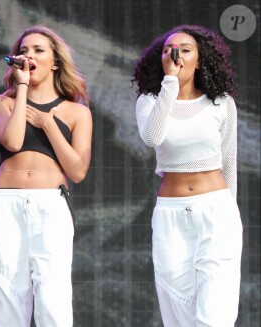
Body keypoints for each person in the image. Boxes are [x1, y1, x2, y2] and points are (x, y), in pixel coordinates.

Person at [0, 26, 92, 326]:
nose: (29, 55)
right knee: (7, 296)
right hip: (6, 203)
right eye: (24, 50)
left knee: (52, 297)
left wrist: (49, 124)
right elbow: (14, 141)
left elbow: (78, 170)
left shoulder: (76, 112)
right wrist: (22, 89)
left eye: (38, 50)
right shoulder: (1, 102)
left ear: (55, 62)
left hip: (50, 205)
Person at [133, 25, 242, 326]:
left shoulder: (221, 104)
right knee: (177, 307)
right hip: (171, 215)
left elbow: (229, 162)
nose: (176, 53)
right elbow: (153, 137)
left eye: (185, 48)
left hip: (216, 212)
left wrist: (229, 212)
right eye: (169, 48)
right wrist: (170, 82)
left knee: (215, 313)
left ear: (199, 59)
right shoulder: (149, 102)